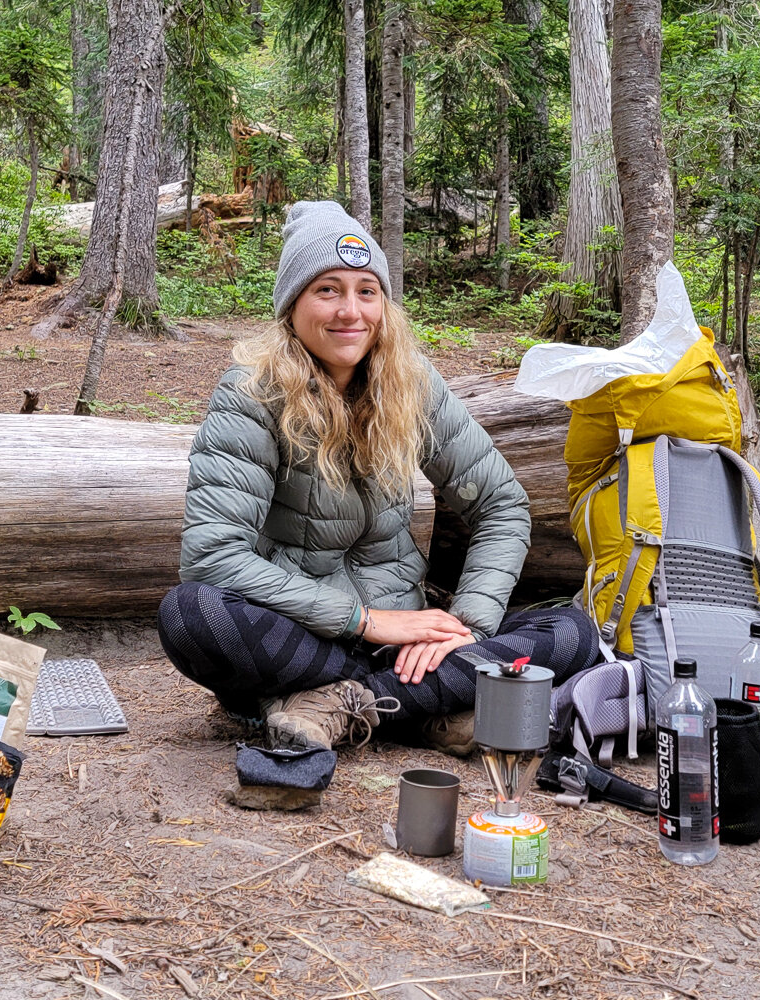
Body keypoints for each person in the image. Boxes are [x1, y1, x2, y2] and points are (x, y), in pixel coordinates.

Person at [157, 201, 598, 754]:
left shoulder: (410, 384)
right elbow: (214, 556)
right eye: (327, 290)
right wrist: (365, 621)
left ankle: (335, 706)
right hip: (308, 638)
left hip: (408, 635)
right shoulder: (251, 394)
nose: (351, 311)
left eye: (367, 291)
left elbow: (501, 505)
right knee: (193, 615)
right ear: (292, 304)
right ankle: (425, 707)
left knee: (573, 632)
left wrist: (468, 629)